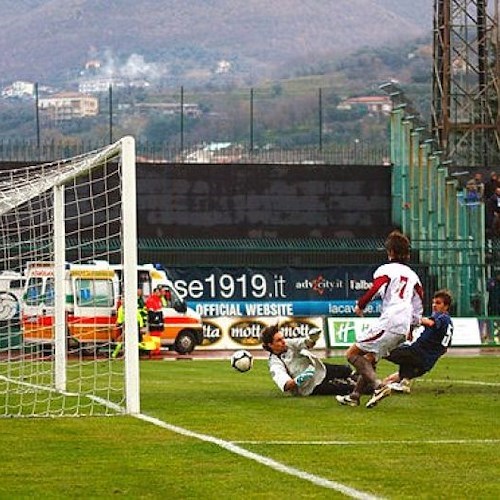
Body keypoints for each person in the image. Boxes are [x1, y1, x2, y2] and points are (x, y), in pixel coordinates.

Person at [336, 229, 424, 408]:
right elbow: (419, 302)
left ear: (390, 252)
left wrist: (361, 305)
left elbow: (375, 288)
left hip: (390, 321)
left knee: (352, 354)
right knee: (370, 359)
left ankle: (378, 386)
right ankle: (355, 396)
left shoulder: (386, 270)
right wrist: (412, 328)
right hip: (403, 325)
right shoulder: (414, 276)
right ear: (407, 254)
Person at [367, 289, 454, 406]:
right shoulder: (449, 323)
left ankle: (360, 376)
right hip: (427, 364)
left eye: (438, 303)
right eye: (433, 302)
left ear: (446, 306)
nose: (434, 305)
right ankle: (381, 392)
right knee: (393, 379)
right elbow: (444, 349)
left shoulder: (441, 318)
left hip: (416, 353)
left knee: (378, 350)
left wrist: (412, 318)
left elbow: (430, 323)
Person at [260, 324, 355, 397]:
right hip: (310, 387)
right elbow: (286, 385)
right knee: (346, 388)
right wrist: (301, 378)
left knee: (346, 370)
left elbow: (305, 344)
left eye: (282, 338)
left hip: (318, 369)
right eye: (278, 340)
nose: (283, 341)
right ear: (270, 345)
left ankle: (359, 379)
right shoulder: (275, 364)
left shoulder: (288, 344)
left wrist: (312, 339)